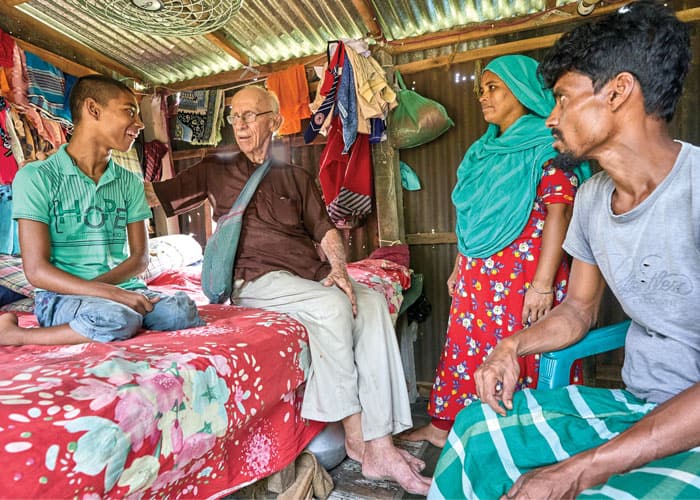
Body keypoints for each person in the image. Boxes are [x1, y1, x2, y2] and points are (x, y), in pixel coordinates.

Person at [429, 2, 700, 498]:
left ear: (618, 91)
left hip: (690, 421)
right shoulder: (595, 198)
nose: (550, 117)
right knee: (474, 430)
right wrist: (511, 346)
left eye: (561, 98)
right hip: (639, 404)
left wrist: (580, 470)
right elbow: (577, 309)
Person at [144, 85, 432, 495]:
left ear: (274, 122)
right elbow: (155, 195)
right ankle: (357, 438)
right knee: (334, 307)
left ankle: (380, 439)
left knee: (368, 301)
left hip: (305, 276)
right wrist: (101, 174)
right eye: (234, 116)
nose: (239, 124)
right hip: (255, 280)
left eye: (250, 115)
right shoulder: (214, 167)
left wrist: (341, 273)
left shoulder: (296, 176)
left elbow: (326, 231)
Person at [404, 54, 587, 448]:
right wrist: (459, 264)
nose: (483, 97)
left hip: (524, 275)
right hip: (477, 273)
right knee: (464, 347)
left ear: (521, 91)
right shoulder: (481, 153)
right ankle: (445, 429)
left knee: (523, 350)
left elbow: (560, 210)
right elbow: (472, 218)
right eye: (480, 90)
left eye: (493, 88)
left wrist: (541, 286)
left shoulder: (547, 143)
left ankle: (524, 436)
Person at [0, 75, 204, 346]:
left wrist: (108, 291)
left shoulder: (130, 182)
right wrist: (106, 295)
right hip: (61, 296)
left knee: (181, 311)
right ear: (93, 110)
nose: (140, 124)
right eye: (129, 112)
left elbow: (140, 259)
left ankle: (112, 311)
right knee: (116, 317)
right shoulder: (37, 177)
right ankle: (16, 334)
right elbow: (36, 270)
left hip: (120, 289)